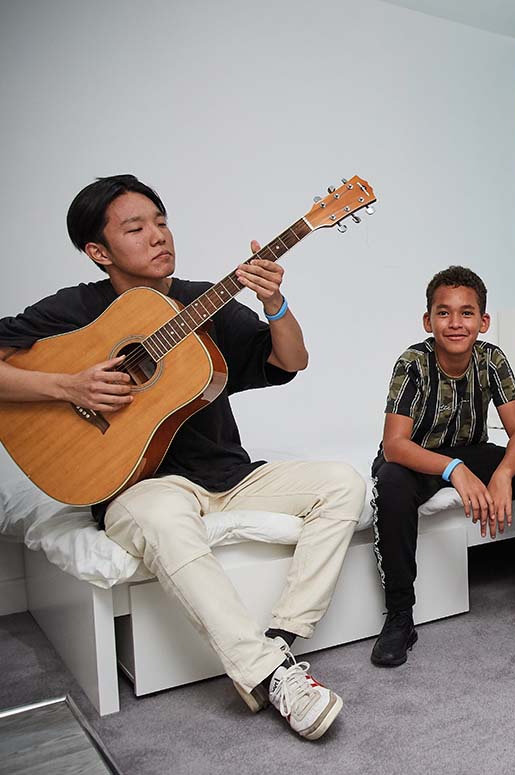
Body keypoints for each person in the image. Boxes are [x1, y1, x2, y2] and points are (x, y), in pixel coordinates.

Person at [0, 175, 366, 740]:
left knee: (343, 482)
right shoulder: (77, 308)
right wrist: (68, 385)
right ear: (99, 251)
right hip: (141, 487)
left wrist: (275, 303)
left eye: (162, 221)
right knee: (160, 517)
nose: (158, 236)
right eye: (136, 228)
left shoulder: (202, 301)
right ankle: (271, 677)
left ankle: (281, 639)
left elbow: (291, 360)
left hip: (229, 475)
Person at [369, 265, 515, 668]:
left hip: (472, 450)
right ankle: (399, 615)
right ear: (428, 321)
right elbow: (394, 445)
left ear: (483, 322)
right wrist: (454, 469)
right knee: (391, 482)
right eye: (444, 312)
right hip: (417, 456)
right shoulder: (412, 363)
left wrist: (502, 473)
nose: (455, 323)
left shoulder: (491, 359)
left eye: (466, 313)